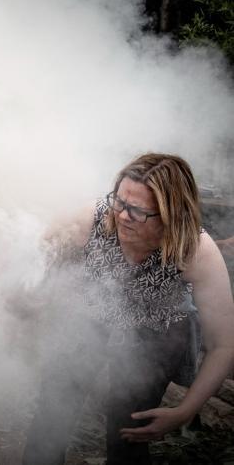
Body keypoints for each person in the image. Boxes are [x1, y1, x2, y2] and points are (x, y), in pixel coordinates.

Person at [23, 153, 234, 464]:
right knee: (53, 412)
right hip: (91, 313)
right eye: (119, 202)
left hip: (158, 328)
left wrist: (185, 410)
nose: (122, 216)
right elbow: (39, 254)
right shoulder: (91, 219)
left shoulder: (196, 251)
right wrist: (38, 291)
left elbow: (223, 345)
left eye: (137, 210)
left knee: (130, 428)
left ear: (170, 213)